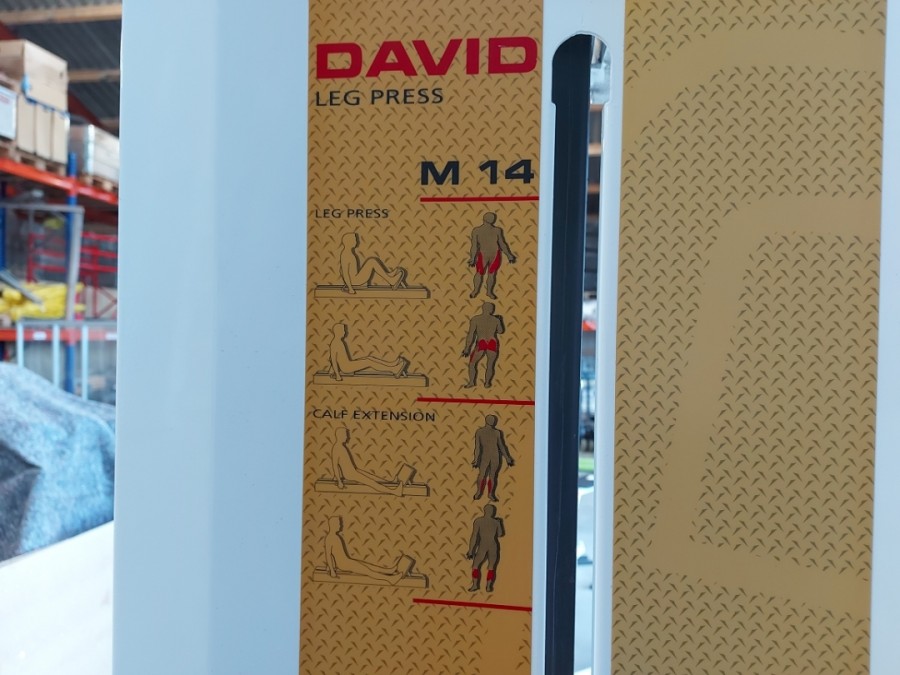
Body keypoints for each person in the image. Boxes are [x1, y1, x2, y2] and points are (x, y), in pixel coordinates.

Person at [324, 516, 406, 583]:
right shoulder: (330, 538)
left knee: (369, 566)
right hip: (344, 564)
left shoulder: (335, 537)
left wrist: (330, 567)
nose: (340, 525)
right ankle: (390, 579)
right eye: (338, 524)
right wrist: (332, 571)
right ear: (333, 525)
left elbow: (332, 555)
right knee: (368, 571)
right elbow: (328, 554)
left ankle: (389, 571)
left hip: (347, 561)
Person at [331, 428, 403, 496]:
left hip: (354, 471)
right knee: (371, 482)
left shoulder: (341, 447)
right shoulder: (337, 448)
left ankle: (391, 482)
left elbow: (340, 464)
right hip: (350, 474)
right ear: (339, 435)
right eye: (345, 435)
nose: (347, 437)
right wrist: (339, 481)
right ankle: (395, 492)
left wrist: (336, 477)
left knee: (372, 476)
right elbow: (335, 465)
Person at [328, 324, 409, 380]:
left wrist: (331, 371)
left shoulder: (338, 342)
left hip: (348, 365)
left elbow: (334, 359)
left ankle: (392, 364)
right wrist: (337, 375)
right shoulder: (336, 343)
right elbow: (333, 360)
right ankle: (394, 369)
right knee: (369, 362)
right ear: (338, 331)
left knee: (369, 358)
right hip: (347, 367)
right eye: (343, 330)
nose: (345, 332)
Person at [468, 212, 516, 299]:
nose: (492, 219)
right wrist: (472, 257)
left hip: (495, 254)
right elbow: (474, 246)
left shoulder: (497, 230)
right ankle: (476, 290)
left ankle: (489, 292)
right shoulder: (477, 230)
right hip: (484, 254)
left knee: (491, 274)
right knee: (480, 273)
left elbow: (502, 244)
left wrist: (509, 255)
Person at [339, 232, 406, 293]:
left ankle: (389, 275)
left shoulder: (348, 253)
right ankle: (391, 280)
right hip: (355, 281)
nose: (357, 241)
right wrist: (350, 288)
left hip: (355, 279)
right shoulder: (345, 255)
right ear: (349, 242)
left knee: (372, 261)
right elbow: (345, 273)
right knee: (372, 262)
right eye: (355, 239)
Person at [472, 415, 514, 501]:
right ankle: (479, 492)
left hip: (495, 457)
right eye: (491, 419)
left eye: (493, 420)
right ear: (486, 420)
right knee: (482, 475)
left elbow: (501, 446)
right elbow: (477, 447)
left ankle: (490, 494)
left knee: (492, 476)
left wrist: (507, 458)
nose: (493, 421)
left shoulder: (497, 432)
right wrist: (475, 459)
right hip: (484, 457)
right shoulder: (479, 432)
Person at [461, 303, 505, 388]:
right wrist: (501, 320)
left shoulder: (475, 319)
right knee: (490, 365)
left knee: (472, 364)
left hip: (481, 342)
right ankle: (487, 383)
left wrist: (467, 348)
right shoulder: (496, 320)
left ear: (482, 308)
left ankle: (471, 382)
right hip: (492, 342)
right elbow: (500, 331)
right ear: (491, 309)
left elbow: (471, 334)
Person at [466, 504, 505, 592]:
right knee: (491, 567)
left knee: (476, 565)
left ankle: (475, 585)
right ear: (492, 512)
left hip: (483, 545)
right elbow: (500, 534)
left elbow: (474, 536)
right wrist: (500, 523)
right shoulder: (495, 522)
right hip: (493, 545)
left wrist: (471, 550)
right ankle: (488, 586)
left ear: (484, 511)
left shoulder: (478, 521)